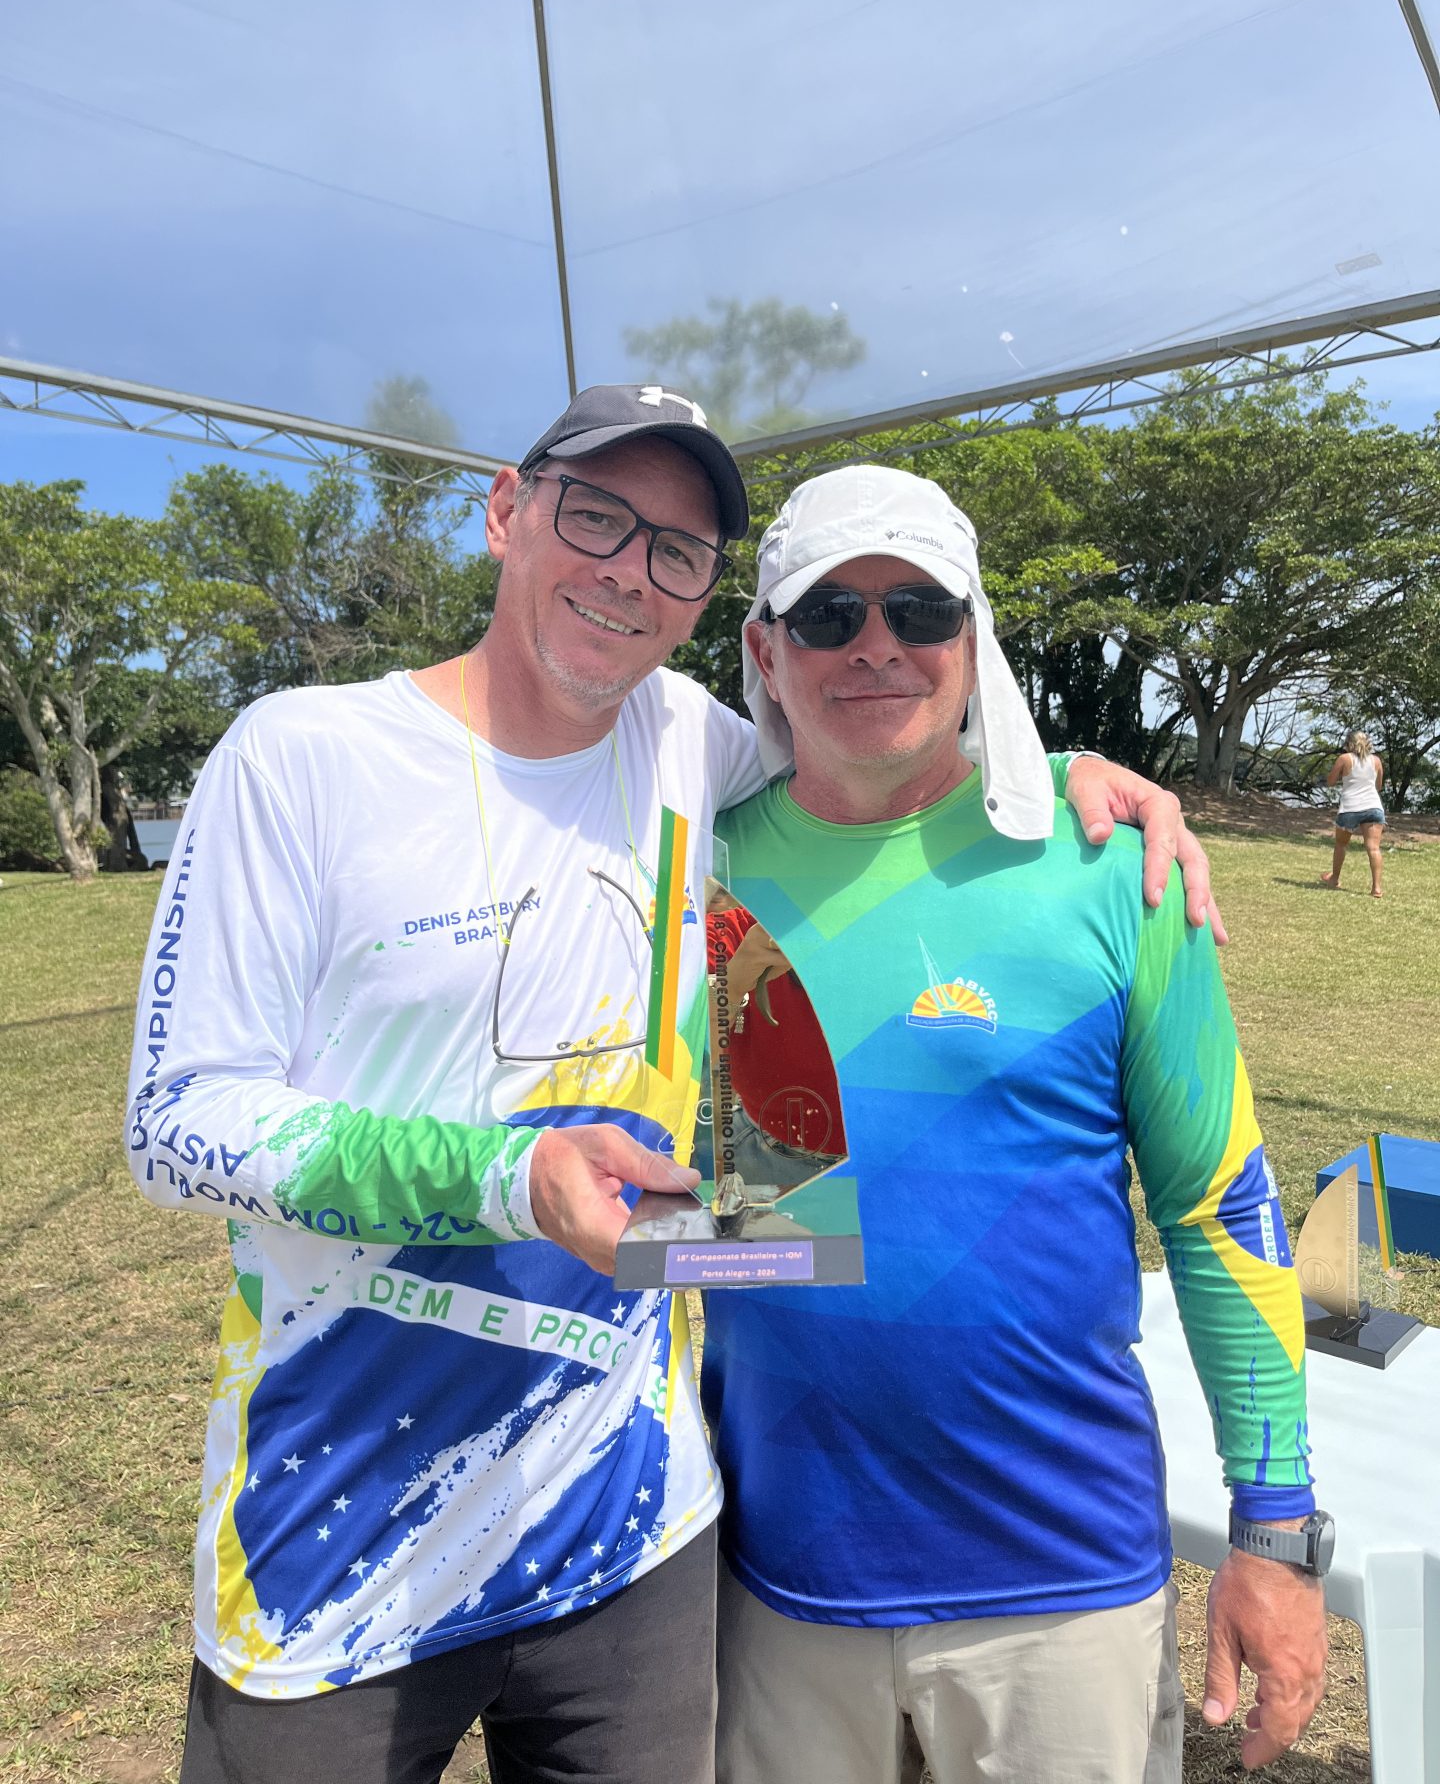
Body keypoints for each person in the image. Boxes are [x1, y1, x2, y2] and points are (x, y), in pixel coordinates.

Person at [124, 386, 1220, 1784]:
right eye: (596, 516)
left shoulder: (699, 749)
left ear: (708, 601)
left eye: (679, 550)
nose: (631, 571)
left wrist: (1073, 778)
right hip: (341, 1537)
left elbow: (894, 748)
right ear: (506, 511)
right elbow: (175, 1122)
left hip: (636, 1548)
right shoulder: (303, 757)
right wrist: (507, 1179)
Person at [701, 465, 1330, 1784]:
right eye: (829, 614)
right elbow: (688, 1201)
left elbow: (1219, 1205)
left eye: (922, 610)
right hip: (777, 1581)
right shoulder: (689, 864)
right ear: (764, 652)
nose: (877, 645)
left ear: (974, 637)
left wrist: (1275, 1532)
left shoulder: (1112, 864)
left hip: (1063, 1585)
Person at [1320, 729, 1385, 898]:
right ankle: (1376, 888)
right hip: (1373, 807)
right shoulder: (1376, 761)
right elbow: (1378, 787)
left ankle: (1334, 879)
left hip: (1350, 808)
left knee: (1341, 844)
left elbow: (1330, 781)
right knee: (1373, 848)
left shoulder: (1344, 759)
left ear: (1349, 744)